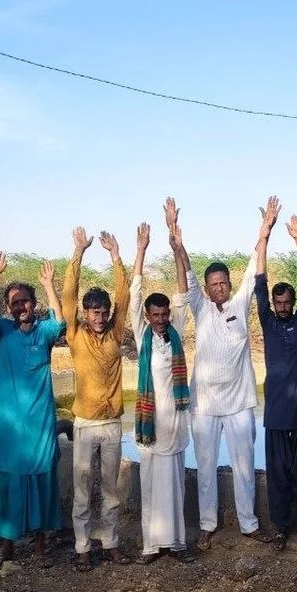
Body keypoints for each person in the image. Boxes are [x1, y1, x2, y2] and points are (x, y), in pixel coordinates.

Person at [165, 198, 273, 548]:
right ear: (207, 287)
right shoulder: (200, 306)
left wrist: (264, 232)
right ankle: (207, 524)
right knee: (206, 466)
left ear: (228, 283)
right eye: (213, 284)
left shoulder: (241, 303)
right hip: (205, 405)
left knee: (244, 465)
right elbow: (186, 274)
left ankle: (249, 524)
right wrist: (177, 243)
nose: (219, 287)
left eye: (223, 282)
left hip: (239, 403)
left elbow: (254, 266)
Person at [0, 260, 66, 566]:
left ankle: (40, 546)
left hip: (39, 423)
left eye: (25, 301)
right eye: (14, 303)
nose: (21, 307)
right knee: (7, 482)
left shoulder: (44, 332)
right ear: (8, 307)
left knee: (41, 480)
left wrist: (49, 285)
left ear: (34, 303)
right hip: (7, 424)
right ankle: (8, 546)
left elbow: (61, 322)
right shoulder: (2, 331)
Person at [61, 226, 132, 572]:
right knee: (81, 488)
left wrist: (116, 256)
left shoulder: (116, 333)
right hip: (85, 423)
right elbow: (68, 295)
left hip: (113, 423)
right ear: (85, 314)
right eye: (94, 313)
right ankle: (82, 547)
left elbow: (124, 295)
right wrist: (79, 252)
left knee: (110, 489)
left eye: (103, 312)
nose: (100, 318)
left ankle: (110, 543)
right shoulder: (75, 334)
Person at [254, 199, 297, 551]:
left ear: (292, 303)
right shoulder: (267, 320)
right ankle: (280, 528)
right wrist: (265, 233)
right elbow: (259, 281)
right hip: (276, 414)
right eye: (277, 303)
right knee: (278, 475)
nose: (281, 307)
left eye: (285, 303)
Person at [130, 220, 195, 564]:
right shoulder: (141, 333)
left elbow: (183, 293)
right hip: (149, 425)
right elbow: (134, 292)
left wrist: (176, 250)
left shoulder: (176, 333)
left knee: (175, 485)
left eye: (164, 314)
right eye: (155, 314)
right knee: (150, 486)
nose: (160, 319)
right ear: (147, 315)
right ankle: (151, 546)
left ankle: (178, 544)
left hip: (176, 423)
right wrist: (140, 250)